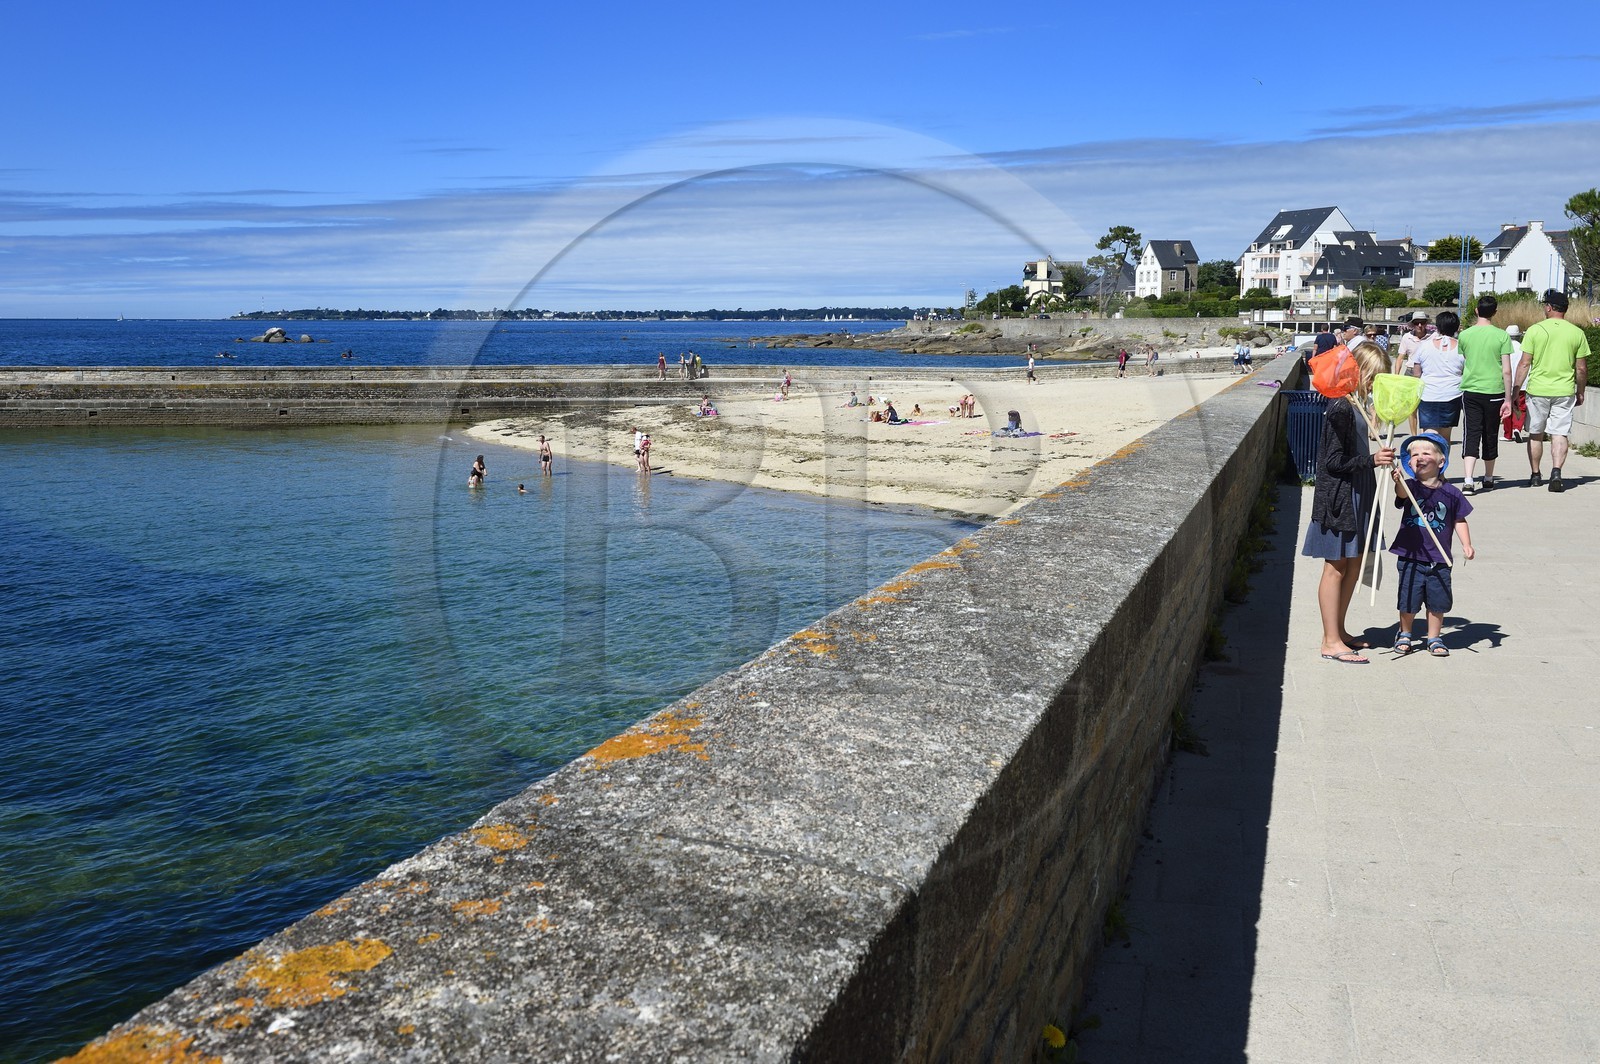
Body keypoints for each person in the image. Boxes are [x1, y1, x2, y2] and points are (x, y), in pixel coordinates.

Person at [1301, 342, 1396, 664]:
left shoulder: (1356, 404)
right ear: (1362, 372)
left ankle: (1339, 631)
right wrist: (1371, 460)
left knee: (1354, 564)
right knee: (1336, 567)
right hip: (1340, 497)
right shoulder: (1340, 406)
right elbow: (1331, 462)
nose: (1375, 385)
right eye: (1374, 378)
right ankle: (1329, 640)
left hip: (1359, 491)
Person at [1388, 433, 1475, 657]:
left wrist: (1467, 544)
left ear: (1441, 461)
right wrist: (1397, 481)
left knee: (1438, 601)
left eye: (1426, 453)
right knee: (1408, 598)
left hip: (1439, 558)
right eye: (1414, 454)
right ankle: (1405, 633)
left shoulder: (1452, 493)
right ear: (1409, 463)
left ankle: (1434, 637)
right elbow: (1400, 495)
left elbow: (1459, 519)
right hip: (1410, 554)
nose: (1419, 457)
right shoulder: (1410, 487)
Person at [1513, 289, 1591, 492]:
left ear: (1548, 307)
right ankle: (1556, 472)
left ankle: (1536, 475)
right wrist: (1580, 391)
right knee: (1559, 433)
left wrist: (1515, 390)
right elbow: (1581, 368)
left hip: (1538, 390)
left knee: (1536, 434)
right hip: (1564, 390)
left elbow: (1524, 363)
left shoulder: (1535, 330)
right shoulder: (1577, 333)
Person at [1456, 295, 1515, 493]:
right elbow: (1507, 370)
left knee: (1471, 433)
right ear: (1495, 312)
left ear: (1476, 311)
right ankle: (1488, 478)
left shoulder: (1465, 335)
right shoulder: (1502, 336)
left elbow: (1465, 359)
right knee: (1490, 433)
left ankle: (1468, 479)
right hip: (1495, 391)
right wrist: (1508, 398)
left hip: (1471, 390)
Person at [1408, 309, 1464, 445]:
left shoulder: (1424, 346)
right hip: (1452, 394)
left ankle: (1427, 463)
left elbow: (1417, 373)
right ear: (1456, 328)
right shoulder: (1461, 348)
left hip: (1428, 393)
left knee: (1428, 435)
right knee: (1445, 437)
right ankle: (1442, 463)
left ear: (1437, 327)